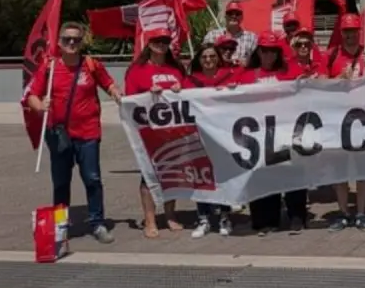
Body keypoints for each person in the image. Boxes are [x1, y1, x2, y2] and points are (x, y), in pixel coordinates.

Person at [24, 22, 122, 243]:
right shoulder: (49, 67)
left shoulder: (91, 65)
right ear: (58, 42)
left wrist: (116, 93)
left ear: (81, 42)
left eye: (76, 40)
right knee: (61, 182)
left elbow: (109, 84)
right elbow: (32, 95)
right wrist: (40, 105)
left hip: (88, 133)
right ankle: (61, 224)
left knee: (92, 179)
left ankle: (97, 223)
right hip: (58, 134)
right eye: (67, 39)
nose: (71, 43)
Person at [235, 31, 309, 235]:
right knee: (262, 176)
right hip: (258, 135)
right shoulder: (246, 75)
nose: (269, 55)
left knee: (293, 174)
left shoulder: (290, 71)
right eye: (265, 51)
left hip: (285, 131)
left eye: (273, 51)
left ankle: (297, 216)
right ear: (258, 51)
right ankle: (265, 220)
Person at [124, 28, 187, 238]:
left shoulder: (176, 68)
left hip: (173, 131)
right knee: (148, 176)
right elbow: (130, 101)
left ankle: (170, 215)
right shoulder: (137, 70)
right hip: (148, 132)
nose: (162, 45)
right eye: (158, 41)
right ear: (149, 44)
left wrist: (180, 88)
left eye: (165, 41)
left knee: (171, 175)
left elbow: (189, 93)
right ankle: (150, 220)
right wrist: (147, 94)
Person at [321, 14, 365, 231]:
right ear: (341, 34)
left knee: (363, 170)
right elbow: (319, 84)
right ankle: (344, 212)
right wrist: (338, 80)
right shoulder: (332, 55)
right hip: (338, 122)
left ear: (359, 32)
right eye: (346, 32)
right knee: (340, 171)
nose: (350, 36)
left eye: (354, 31)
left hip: (363, 121)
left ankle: (362, 212)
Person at [183, 42, 237, 238]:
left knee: (223, 176)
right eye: (204, 57)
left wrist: (235, 91)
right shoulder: (190, 81)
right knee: (201, 177)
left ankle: (224, 217)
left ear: (218, 58)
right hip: (197, 135)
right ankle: (203, 218)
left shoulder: (229, 77)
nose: (208, 60)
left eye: (212, 56)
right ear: (199, 59)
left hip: (221, 135)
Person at [203, 1, 258, 66]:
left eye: (237, 14)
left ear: (242, 17)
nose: (233, 16)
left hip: (242, 74)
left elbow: (257, 60)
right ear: (225, 16)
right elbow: (203, 58)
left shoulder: (252, 38)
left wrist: (248, 62)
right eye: (230, 13)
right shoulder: (212, 35)